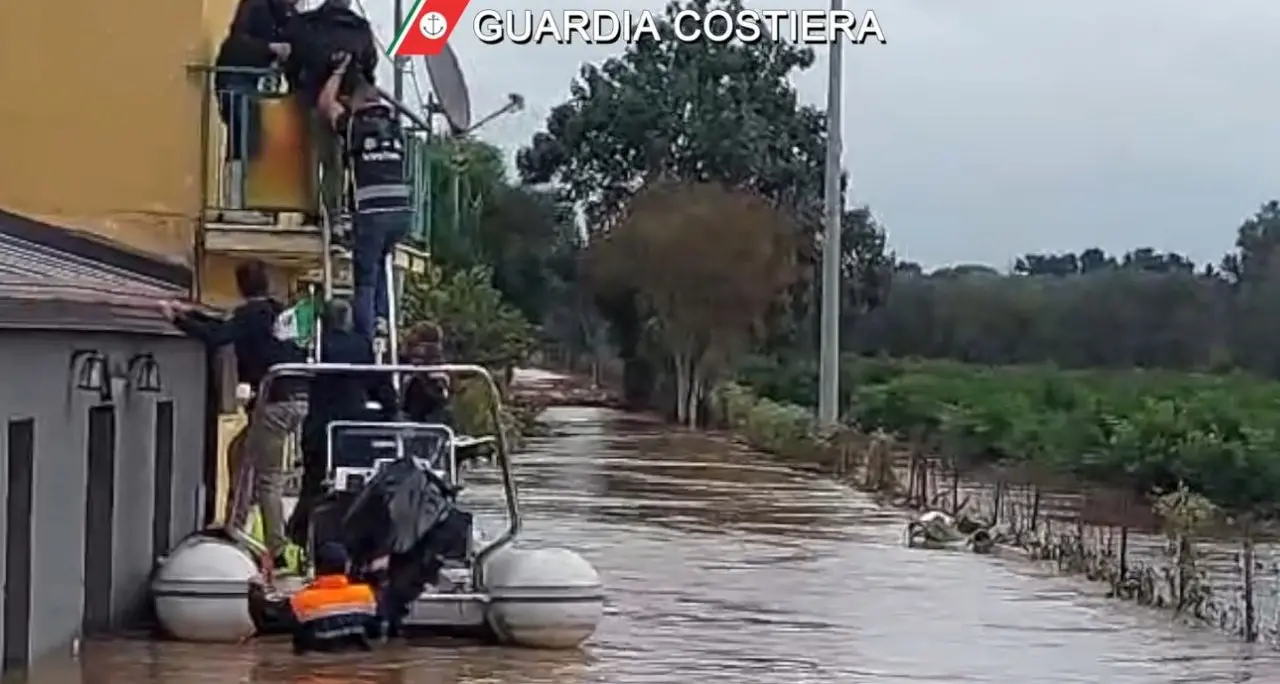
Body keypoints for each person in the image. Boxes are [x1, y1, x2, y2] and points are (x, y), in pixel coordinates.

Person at [162, 260, 307, 571]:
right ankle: (235, 524)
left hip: (273, 403)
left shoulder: (250, 315)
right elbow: (223, 325)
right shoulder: (278, 312)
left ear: (240, 287)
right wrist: (189, 313)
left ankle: (273, 548)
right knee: (239, 453)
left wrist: (178, 320)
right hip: (296, 398)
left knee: (263, 476)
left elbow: (218, 336)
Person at [317, 54, 410, 341]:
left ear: (356, 102)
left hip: (372, 213)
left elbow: (325, 104)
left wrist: (338, 71)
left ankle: (365, 337)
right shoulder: (397, 128)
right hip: (402, 214)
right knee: (382, 263)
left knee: (365, 279)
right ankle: (382, 321)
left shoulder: (355, 124)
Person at [289, 299, 394, 546]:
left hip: (320, 426)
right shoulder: (362, 346)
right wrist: (391, 409)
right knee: (355, 486)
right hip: (353, 428)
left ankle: (301, 536)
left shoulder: (317, 347)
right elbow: (377, 384)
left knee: (313, 484)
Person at [287, 0, 378, 226]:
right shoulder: (360, 29)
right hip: (348, 105)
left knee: (313, 160)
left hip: (311, 102)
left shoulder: (308, 25)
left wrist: (297, 89)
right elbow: (369, 67)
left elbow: (293, 63)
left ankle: (314, 212)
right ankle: (341, 213)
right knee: (344, 162)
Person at [213, 0, 299, 208]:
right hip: (235, 77)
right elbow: (237, 42)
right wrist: (270, 48)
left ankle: (245, 201)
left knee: (252, 142)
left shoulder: (287, 15)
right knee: (241, 139)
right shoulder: (255, 4)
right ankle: (234, 203)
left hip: (255, 82)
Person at [289, 542, 379, 654]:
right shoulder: (366, 594)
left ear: (317, 567)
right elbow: (375, 632)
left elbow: (298, 642)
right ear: (347, 567)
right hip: (358, 657)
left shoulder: (301, 600)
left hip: (319, 662)